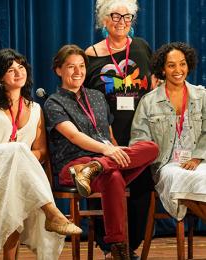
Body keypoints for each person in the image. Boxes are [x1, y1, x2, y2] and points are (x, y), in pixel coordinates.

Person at [0, 48, 82, 260]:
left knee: (15, 187)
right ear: (0, 76)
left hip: (16, 172)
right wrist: (4, 152)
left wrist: (18, 160)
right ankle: (51, 213)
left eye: (21, 67)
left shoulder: (36, 109)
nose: (18, 72)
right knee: (16, 151)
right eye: (11, 69)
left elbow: (41, 151)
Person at [44, 44, 159, 260]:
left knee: (151, 148)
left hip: (101, 161)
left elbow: (109, 133)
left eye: (81, 66)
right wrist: (108, 150)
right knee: (113, 176)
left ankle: (96, 168)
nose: (78, 72)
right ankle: (117, 248)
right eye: (71, 67)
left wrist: (114, 150)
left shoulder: (97, 96)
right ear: (59, 70)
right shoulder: (53, 102)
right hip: (75, 164)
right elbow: (74, 136)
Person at [84, 0, 155, 258]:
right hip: (105, 134)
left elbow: (153, 85)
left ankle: (130, 246)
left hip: (140, 132)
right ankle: (109, 246)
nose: (122, 22)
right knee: (109, 186)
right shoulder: (90, 54)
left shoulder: (141, 47)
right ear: (104, 20)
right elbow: (88, 100)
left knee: (140, 190)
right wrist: (106, 135)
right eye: (115, 16)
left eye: (128, 17)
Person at [130, 42, 206, 223]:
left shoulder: (201, 96)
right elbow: (138, 141)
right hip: (166, 166)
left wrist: (197, 158)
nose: (178, 69)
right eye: (171, 65)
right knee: (187, 179)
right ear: (163, 69)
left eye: (183, 63)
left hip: (199, 161)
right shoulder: (148, 101)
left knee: (201, 179)